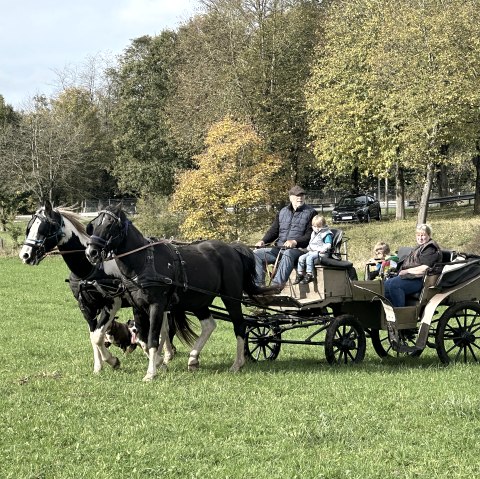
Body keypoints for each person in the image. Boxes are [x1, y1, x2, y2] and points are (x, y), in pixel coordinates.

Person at [254, 185, 317, 287]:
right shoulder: (283, 212)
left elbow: (310, 235)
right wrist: (263, 241)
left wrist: (295, 242)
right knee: (256, 254)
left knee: (288, 253)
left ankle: (276, 286)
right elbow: (274, 231)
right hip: (279, 248)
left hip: (300, 250)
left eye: (302, 195)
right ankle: (259, 287)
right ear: (290, 197)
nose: (300, 198)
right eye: (297, 196)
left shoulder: (311, 212)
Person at [384, 223, 441, 307]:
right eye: (418, 235)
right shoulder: (420, 247)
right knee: (385, 285)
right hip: (410, 277)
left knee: (394, 285)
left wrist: (406, 271)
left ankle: (399, 313)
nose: (420, 238)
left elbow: (425, 268)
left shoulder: (430, 249)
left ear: (429, 235)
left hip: (421, 280)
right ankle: (389, 311)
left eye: (423, 235)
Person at [293, 215, 333, 284]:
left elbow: (329, 245)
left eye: (319, 227)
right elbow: (312, 243)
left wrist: (324, 249)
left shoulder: (326, 234)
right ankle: (300, 274)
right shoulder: (313, 233)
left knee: (309, 258)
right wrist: (305, 249)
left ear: (323, 225)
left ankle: (310, 275)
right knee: (301, 258)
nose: (316, 228)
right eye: (314, 226)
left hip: (321, 253)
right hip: (312, 251)